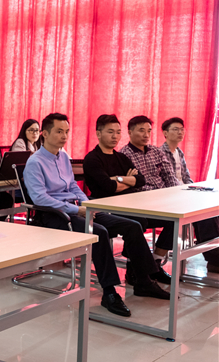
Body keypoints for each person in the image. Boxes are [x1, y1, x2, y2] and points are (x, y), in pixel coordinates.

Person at [25, 113, 169, 318]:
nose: (64, 136)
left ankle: (144, 281)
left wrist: (86, 203)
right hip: (54, 215)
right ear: (45, 134)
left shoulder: (63, 157)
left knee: (132, 225)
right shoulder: (35, 162)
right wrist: (77, 210)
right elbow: (40, 198)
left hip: (77, 208)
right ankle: (109, 293)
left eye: (66, 131)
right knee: (99, 232)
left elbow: (73, 185)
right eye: (59, 131)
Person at [123, 116, 219, 274]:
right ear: (130, 132)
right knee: (177, 218)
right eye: (141, 130)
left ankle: (156, 262)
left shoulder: (156, 152)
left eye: (149, 131)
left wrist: (183, 194)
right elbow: (136, 184)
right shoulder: (125, 155)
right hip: (142, 202)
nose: (146, 134)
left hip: (167, 197)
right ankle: (146, 265)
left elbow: (170, 177)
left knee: (205, 211)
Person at [83, 114, 172, 284]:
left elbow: (140, 180)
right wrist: (126, 181)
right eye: (110, 132)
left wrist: (118, 179)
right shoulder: (92, 159)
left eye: (118, 132)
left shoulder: (121, 158)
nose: (115, 136)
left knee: (170, 220)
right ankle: (137, 272)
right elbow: (108, 187)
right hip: (107, 208)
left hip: (130, 204)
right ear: (98, 133)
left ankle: (155, 263)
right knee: (138, 221)